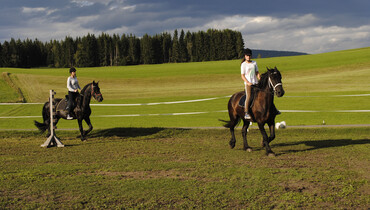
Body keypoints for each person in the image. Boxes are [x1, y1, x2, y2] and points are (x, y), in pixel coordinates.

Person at [241, 48, 260, 119]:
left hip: (255, 83)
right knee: (248, 96)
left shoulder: (254, 63)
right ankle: (246, 112)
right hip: (248, 84)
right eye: (247, 55)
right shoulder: (243, 65)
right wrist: (247, 82)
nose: (248, 57)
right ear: (245, 56)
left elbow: (257, 72)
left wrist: (259, 78)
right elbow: (242, 75)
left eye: (249, 55)